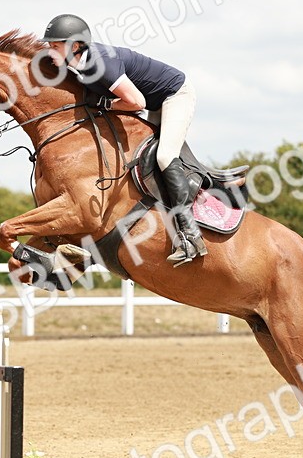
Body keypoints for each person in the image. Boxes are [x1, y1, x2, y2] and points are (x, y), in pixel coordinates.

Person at [42, 13, 205, 267]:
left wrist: (105, 102)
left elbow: (136, 102)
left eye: (54, 45)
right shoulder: (75, 62)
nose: (49, 51)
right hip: (151, 100)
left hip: (174, 96)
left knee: (163, 156)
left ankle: (190, 236)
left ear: (74, 46)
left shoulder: (101, 64)